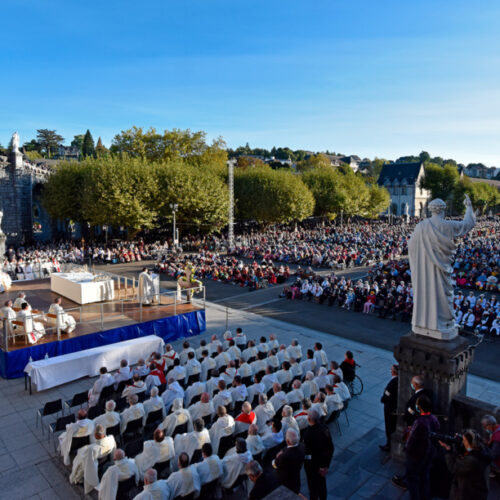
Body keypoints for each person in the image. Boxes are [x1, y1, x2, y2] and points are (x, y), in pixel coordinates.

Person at [408, 195, 475, 339]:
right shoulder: (447, 225)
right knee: (441, 294)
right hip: (441, 268)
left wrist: (421, 259)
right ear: (443, 210)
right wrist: (469, 207)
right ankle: (441, 323)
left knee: (426, 293)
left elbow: (411, 247)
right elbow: (467, 224)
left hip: (425, 268)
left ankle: (424, 322)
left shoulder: (421, 226)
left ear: (431, 210)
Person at [392, 396, 440, 499]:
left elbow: (410, 442)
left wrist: (406, 447)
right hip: (429, 453)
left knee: (412, 479)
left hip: (416, 455)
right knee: (424, 477)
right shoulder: (434, 419)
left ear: (420, 408)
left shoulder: (419, 422)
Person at [440, 429, 492, 500]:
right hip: (477, 492)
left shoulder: (471, 460)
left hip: (467, 493)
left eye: (464, 441)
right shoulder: (481, 452)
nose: (463, 443)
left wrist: (448, 452)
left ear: (470, 443)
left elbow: (454, 468)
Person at [69, 425, 116, 495]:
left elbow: (89, 464)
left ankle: (78, 478)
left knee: (78, 462)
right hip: (105, 458)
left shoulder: (91, 449)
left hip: (94, 460)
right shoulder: (111, 438)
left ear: (96, 436)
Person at [303, 408, 334, 500]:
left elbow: (308, 454)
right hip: (322, 464)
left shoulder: (308, 434)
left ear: (309, 419)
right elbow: (330, 448)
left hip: (313, 466)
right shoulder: (324, 428)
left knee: (313, 488)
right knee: (322, 485)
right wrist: (325, 465)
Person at [273, 428, 305, 494]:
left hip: (286, 481)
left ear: (288, 441)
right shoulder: (302, 447)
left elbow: (275, 464)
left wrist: (277, 457)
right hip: (296, 478)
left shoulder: (284, 456)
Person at [380, 364, 399, 452]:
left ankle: (389, 445)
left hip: (390, 407)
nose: (390, 371)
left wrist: (383, 399)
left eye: (391, 370)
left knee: (389, 425)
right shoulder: (399, 380)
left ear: (393, 372)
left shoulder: (393, 383)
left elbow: (387, 395)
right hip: (394, 405)